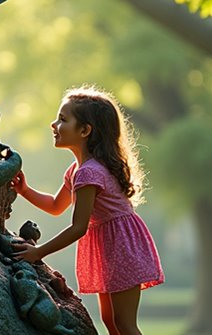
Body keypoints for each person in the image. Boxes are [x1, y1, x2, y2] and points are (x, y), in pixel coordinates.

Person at [11, 86, 164, 335]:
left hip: (121, 247)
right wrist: (25, 190)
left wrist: (39, 252)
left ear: (84, 130)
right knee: (111, 321)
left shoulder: (89, 173)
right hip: (109, 247)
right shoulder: (77, 171)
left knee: (124, 323)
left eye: (63, 119)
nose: (54, 125)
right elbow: (55, 206)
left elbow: (78, 227)